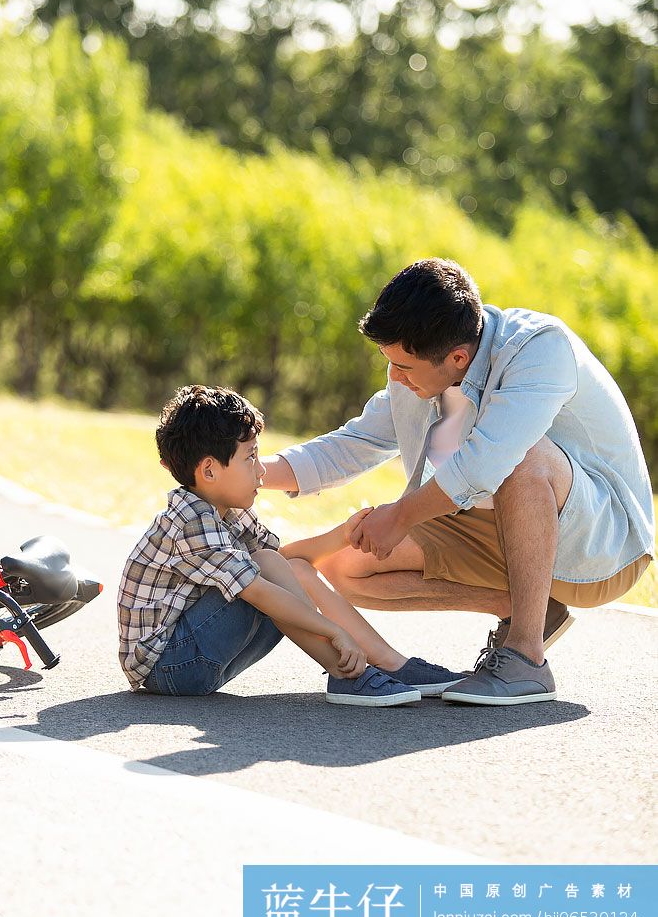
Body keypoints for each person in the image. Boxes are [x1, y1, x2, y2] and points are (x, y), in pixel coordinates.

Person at [260, 259, 655, 707]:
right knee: (345, 564)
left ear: (458, 358)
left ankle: (526, 657)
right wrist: (253, 473)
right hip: (505, 535)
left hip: (603, 549)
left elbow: (486, 464)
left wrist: (401, 515)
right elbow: (352, 444)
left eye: (403, 367)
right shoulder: (418, 376)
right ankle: (527, 608)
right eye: (388, 363)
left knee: (522, 458)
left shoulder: (540, 350)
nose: (394, 377)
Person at [118, 384, 467, 706]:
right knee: (267, 570)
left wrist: (342, 536)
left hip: (195, 653)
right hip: (169, 664)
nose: (261, 472)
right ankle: (348, 674)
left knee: (282, 565)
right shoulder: (191, 520)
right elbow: (263, 586)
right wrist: (334, 632)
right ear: (209, 471)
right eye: (250, 457)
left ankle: (390, 663)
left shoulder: (227, 509)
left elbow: (287, 564)